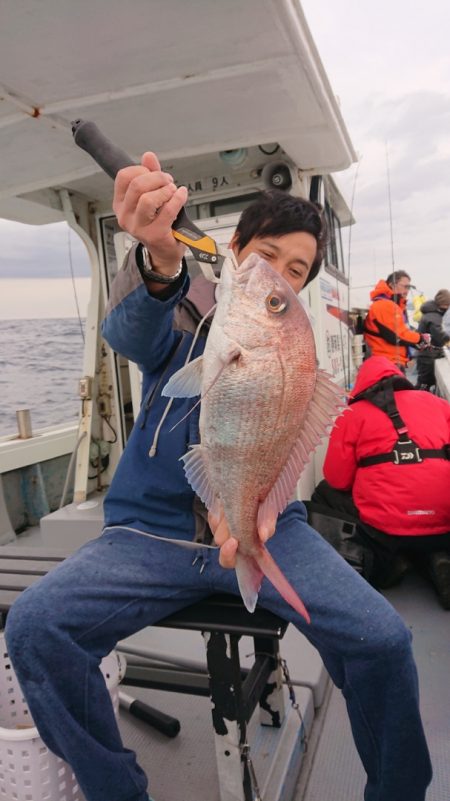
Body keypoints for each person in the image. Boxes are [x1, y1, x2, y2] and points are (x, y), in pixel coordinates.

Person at [4, 152, 432, 801]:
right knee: (34, 626)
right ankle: (116, 789)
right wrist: (158, 262)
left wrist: (258, 513)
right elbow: (129, 332)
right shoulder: (183, 323)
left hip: (268, 524)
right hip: (153, 538)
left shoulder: (289, 351)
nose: (278, 275)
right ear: (233, 249)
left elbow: (299, 431)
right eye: (266, 255)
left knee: (384, 639)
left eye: (296, 272)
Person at [320, 355, 450, 607]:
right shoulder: (438, 404)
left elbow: (336, 479)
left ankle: (387, 563)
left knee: (324, 493)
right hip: (445, 523)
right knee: (427, 526)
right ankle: (435, 556)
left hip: (385, 533)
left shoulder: (352, 414)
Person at [363, 270, 431, 369]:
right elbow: (397, 335)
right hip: (387, 364)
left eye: (409, 287)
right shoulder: (384, 305)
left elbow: (399, 333)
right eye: (405, 286)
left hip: (391, 362)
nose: (407, 291)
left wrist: (418, 342)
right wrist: (420, 339)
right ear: (392, 285)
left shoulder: (392, 305)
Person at [416, 289, 450, 390]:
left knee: (424, 382)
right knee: (424, 384)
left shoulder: (433, 313)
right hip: (428, 357)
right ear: (443, 304)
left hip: (427, 354)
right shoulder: (433, 317)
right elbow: (441, 336)